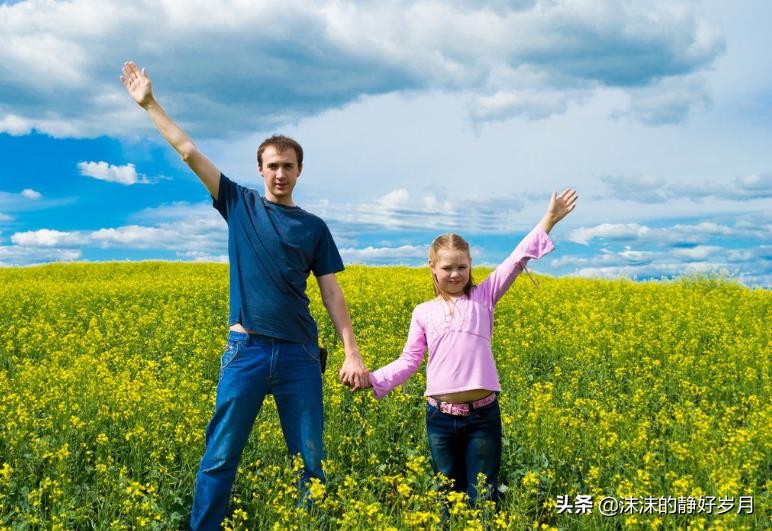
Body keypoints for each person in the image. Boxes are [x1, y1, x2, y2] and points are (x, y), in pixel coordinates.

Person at [120, 61, 369, 530]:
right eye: (272, 166)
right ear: (260, 169)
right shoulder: (239, 203)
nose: (280, 174)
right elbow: (189, 151)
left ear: (299, 171)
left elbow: (332, 293)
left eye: (288, 167)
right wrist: (150, 103)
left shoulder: (314, 227)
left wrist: (351, 353)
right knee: (220, 457)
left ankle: (310, 524)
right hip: (247, 351)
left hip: (299, 355)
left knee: (310, 462)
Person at [360, 189, 577, 507]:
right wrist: (373, 378)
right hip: (440, 417)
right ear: (431, 266)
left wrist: (549, 219)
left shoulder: (484, 296)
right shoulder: (423, 311)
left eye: (461, 267)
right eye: (446, 267)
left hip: (483, 416)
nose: (454, 274)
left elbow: (517, 259)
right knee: (446, 495)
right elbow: (409, 360)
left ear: (470, 264)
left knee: (483, 495)